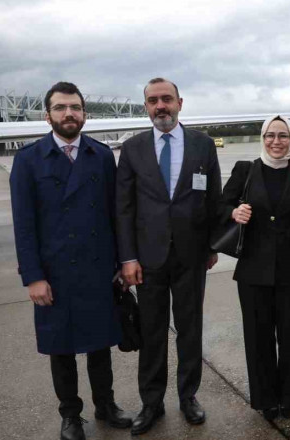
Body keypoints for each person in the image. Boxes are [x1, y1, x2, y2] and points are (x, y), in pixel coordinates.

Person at [10, 81, 132, 440]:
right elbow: (24, 225)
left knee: (100, 346)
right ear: (47, 115)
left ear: (84, 114)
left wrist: (122, 264)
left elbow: (114, 215)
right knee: (60, 348)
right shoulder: (29, 159)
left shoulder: (100, 155)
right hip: (54, 272)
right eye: (61, 108)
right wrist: (33, 276)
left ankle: (106, 406)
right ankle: (70, 414)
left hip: (97, 269)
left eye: (75, 108)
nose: (69, 114)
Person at [116, 78, 223, 435]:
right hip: (148, 259)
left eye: (166, 99)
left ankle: (188, 395)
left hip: (192, 256)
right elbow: (124, 208)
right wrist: (128, 257)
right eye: (152, 101)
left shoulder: (202, 145)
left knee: (189, 330)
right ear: (145, 107)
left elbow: (214, 199)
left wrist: (211, 247)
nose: (160, 106)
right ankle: (151, 402)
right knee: (152, 331)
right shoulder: (132, 149)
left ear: (180, 102)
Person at [222, 115, 290, 422]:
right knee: (258, 336)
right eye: (270, 136)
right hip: (253, 268)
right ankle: (265, 399)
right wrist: (235, 211)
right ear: (262, 138)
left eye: (283, 136)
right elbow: (219, 205)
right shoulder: (246, 170)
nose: (276, 142)